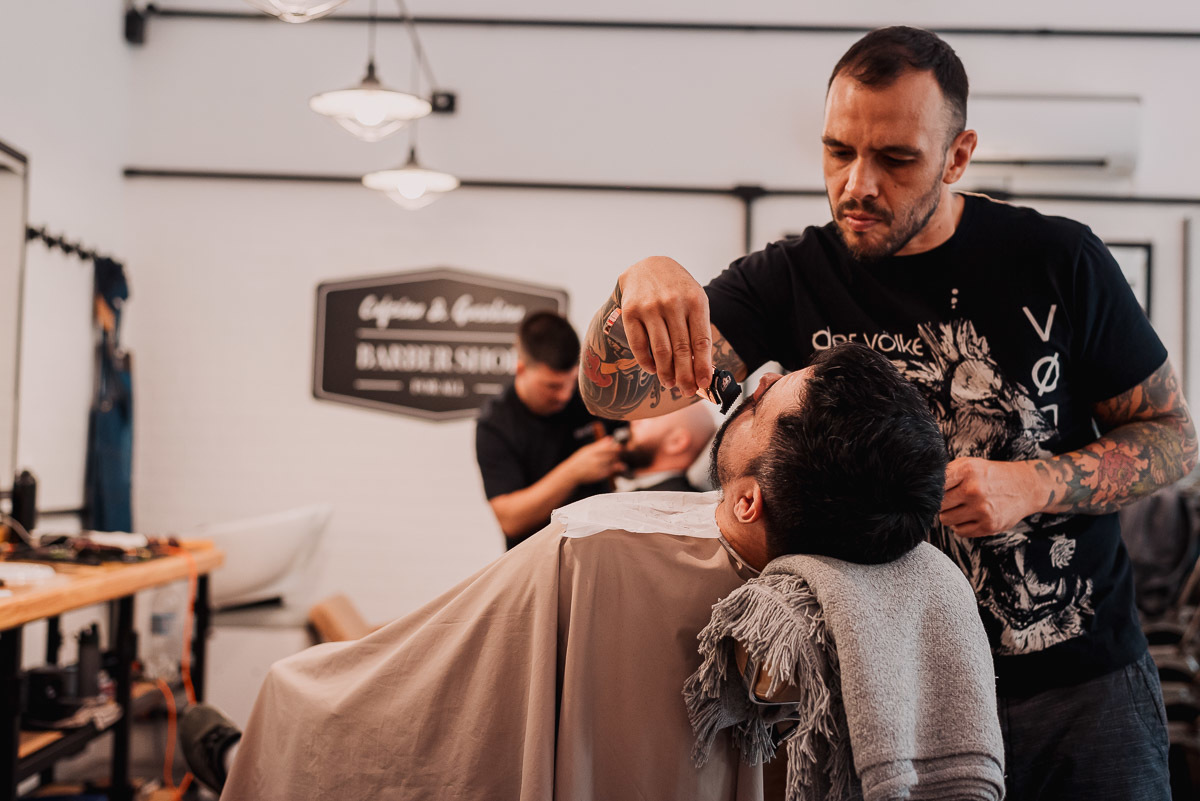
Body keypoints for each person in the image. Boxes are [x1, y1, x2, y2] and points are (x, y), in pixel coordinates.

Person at [580, 25, 1198, 801]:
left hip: (1082, 690)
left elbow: (1175, 438)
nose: (857, 185)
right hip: (891, 693)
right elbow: (612, 392)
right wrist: (639, 281)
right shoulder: (788, 280)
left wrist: (1033, 484)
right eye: (838, 151)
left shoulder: (1058, 260)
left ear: (957, 156)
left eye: (896, 159)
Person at [193, 343, 955, 801]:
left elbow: (434, 706)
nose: (748, 387)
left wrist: (294, 712)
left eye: (759, 405)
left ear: (750, 500)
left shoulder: (595, 545)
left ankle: (239, 758)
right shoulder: (895, 591)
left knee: (313, 689)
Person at [475, 311, 624, 548]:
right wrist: (574, 471)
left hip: (599, 548)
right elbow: (510, 519)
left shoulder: (588, 393)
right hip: (535, 557)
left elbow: (639, 430)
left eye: (570, 382)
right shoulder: (495, 424)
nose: (564, 395)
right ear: (521, 369)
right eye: (552, 386)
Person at [615, 402, 717, 492]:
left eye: (653, 416)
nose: (635, 420)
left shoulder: (671, 503)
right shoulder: (624, 476)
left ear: (676, 442)